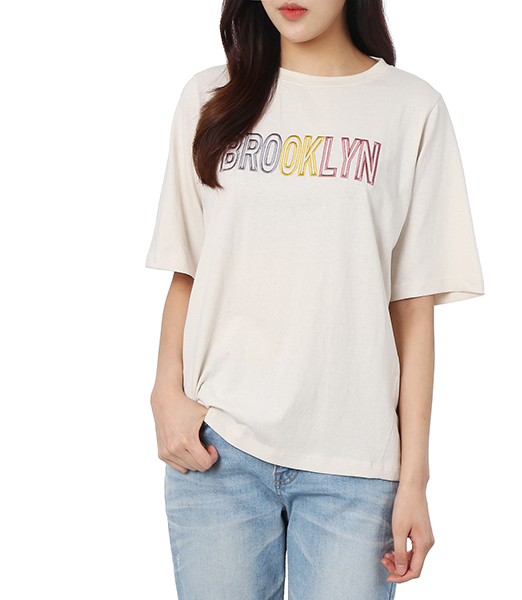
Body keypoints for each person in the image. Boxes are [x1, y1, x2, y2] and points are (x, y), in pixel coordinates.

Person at [145, 1, 484, 598]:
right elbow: (189, 269)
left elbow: (412, 310)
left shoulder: (412, 109)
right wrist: (164, 396)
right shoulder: (210, 97)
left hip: (353, 470)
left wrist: (414, 481)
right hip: (217, 453)